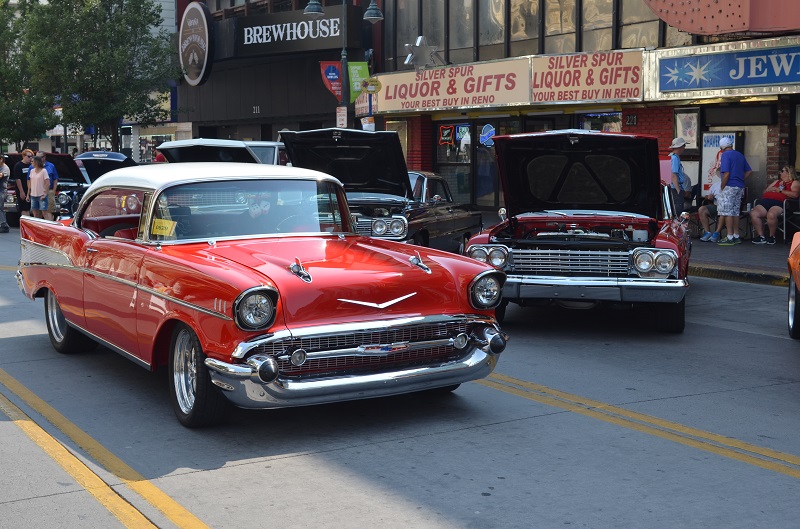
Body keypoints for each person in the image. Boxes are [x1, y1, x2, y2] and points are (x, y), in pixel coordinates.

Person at [750, 165, 799, 245]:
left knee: (771, 214)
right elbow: (764, 192)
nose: (780, 173)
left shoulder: (794, 182)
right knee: (754, 213)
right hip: (765, 202)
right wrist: (768, 190)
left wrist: (780, 191)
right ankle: (761, 236)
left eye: (782, 171)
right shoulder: (777, 182)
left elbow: (795, 194)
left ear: (788, 173)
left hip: (779, 203)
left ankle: (772, 236)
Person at [716, 137, 752, 245]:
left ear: (722, 147)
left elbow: (726, 173)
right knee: (735, 212)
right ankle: (736, 235)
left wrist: (722, 186)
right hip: (739, 186)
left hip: (729, 186)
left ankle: (729, 236)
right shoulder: (739, 155)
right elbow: (749, 171)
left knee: (727, 212)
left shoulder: (725, 155)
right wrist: (740, 179)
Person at [668, 137, 688, 214]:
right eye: (684, 146)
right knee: (678, 210)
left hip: (671, 187)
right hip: (675, 188)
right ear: (680, 147)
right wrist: (678, 190)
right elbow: (674, 175)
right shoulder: (675, 158)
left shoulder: (670, 156)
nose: (684, 148)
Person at [37, 151, 59, 221]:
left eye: (40, 157)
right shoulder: (32, 166)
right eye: (37, 157)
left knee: (49, 211)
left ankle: (49, 225)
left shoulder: (51, 166)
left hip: (49, 191)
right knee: (38, 212)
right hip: (37, 191)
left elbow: (55, 179)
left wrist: (53, 191)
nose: (38, 159)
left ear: (44, 157)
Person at [12, 149, 33, 218]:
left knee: (30, 208)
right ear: (23, 156)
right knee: (24, 208)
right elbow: (18, 179)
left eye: (32, 156)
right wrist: (21, 191)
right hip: (23, 189)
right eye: (29, 156)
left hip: (30, 189)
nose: (30, 158)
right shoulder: (18, 165)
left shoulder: (31, 166)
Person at [0, 155, 10, 232]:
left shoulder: (5, 168)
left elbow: (1, 175)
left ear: (1, 159)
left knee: (0, 208)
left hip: (2, 190)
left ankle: (4, 225)